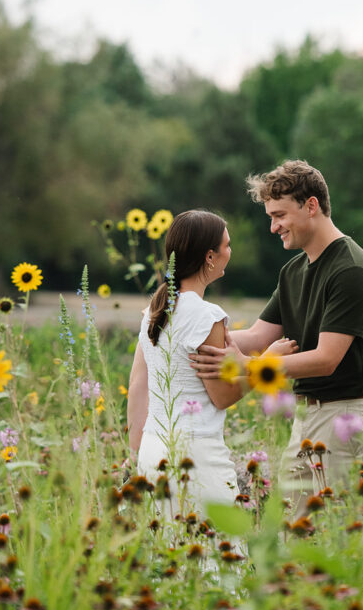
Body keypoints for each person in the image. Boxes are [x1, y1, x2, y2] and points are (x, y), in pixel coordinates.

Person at [191, 160, 363, 518]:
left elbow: (326, 358)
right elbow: (255, 336)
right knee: (293, 538)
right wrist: (184, 336)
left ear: (311, 206)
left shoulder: (351, 270)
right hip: (308, 418)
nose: (273, 227)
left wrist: (252, 366)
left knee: (346, 543)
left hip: (350, 416)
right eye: (271, 216)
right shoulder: (294, 271)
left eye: (280, 215)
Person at [127, 209, 296, 517]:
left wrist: (138, 450)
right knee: (217, 554)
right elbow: (222, 396)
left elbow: (138, 385)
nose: (230, 252)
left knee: (171, 555)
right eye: (227, 245)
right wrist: (267, 363)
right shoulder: (207, 316)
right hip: (196, 454)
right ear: (209, 257)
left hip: (153, 451)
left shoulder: (155, 309)